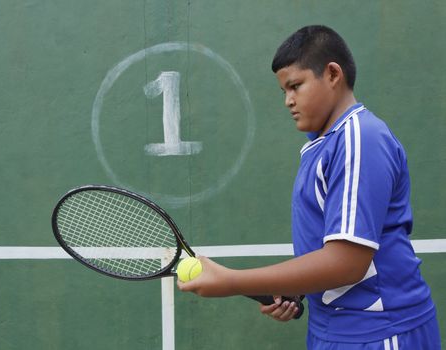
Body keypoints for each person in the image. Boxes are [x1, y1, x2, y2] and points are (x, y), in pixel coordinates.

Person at [177, 25, 441, 349]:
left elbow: (347, 262)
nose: (288, 101)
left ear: (332, 74)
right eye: (283, 91)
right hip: (331, 330)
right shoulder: (321, 145)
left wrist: (232, 281)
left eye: (295, 86)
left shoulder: (360, 138)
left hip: (380, 333)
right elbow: (325, 248)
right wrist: (297, 290)